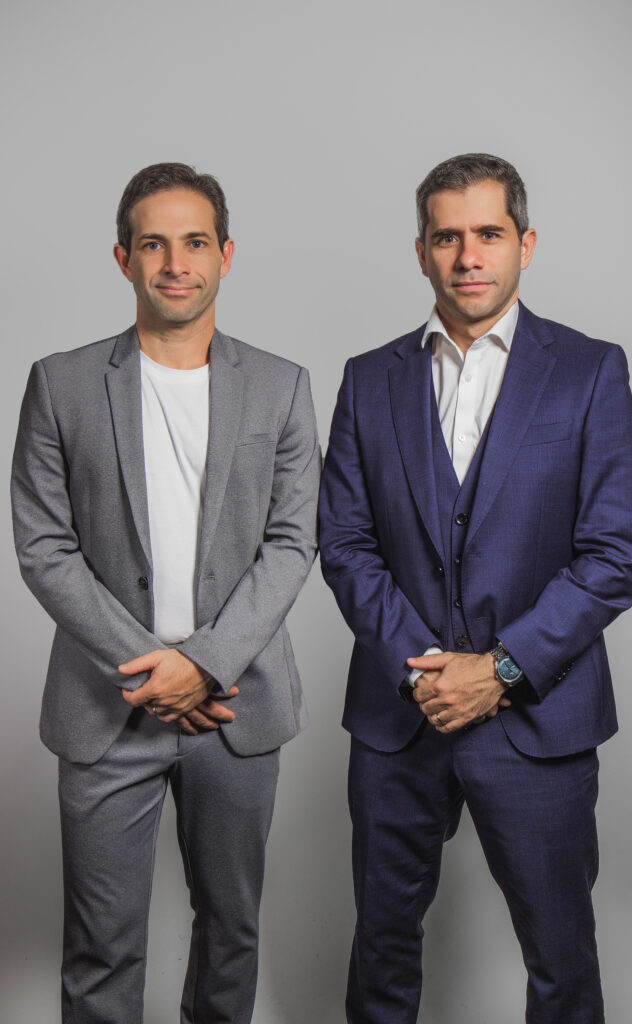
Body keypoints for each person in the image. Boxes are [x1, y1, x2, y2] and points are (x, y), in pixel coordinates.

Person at [318, 153, 632, 1023]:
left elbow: (613, 553)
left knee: (559, 958)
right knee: (382, 950)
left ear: (524, 244)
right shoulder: (368, 379)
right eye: (447, 237)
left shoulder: (588, 371)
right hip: (400, 717)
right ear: (420, 251)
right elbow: (345, 545)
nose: (468, 256)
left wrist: (498, 671)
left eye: (489, 234)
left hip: (537, 719)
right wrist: (425, 671)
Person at [11, 162, 320, 1024]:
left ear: (226, 255)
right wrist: (156, 671)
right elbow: (44, 547)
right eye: (153, 244)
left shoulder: (283, 385)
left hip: (237, 704)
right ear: (123, 258)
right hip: (106, 703)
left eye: (194, 243)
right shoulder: (60, 383)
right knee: (100, 946)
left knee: (230, 933)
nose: (175, 264)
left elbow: (292, 542)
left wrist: (205, 664)